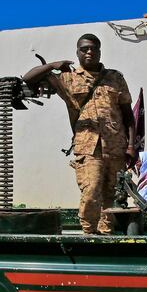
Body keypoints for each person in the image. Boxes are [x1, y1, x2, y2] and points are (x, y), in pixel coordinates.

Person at [23, 33, 135, 234]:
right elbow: (28, 78)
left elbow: (128, 115)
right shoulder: (69, 79)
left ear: (100, 51)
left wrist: (131, 146)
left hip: (116, 147)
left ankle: (107, 237)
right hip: (88, 147)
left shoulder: (115, 78)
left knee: (113, 195)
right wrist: (52, 65)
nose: (89, 52)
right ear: (78, 52)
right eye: (84, 49)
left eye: (94, 48)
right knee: (91, 191)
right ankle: (89, 234)